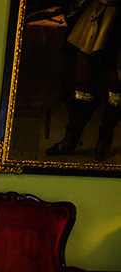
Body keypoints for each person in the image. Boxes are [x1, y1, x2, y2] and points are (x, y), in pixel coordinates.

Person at [45, 0, 121, 161]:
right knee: (83, 79)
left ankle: (105, 138)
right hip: (98, 13)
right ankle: (70, 141)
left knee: (116, 83)